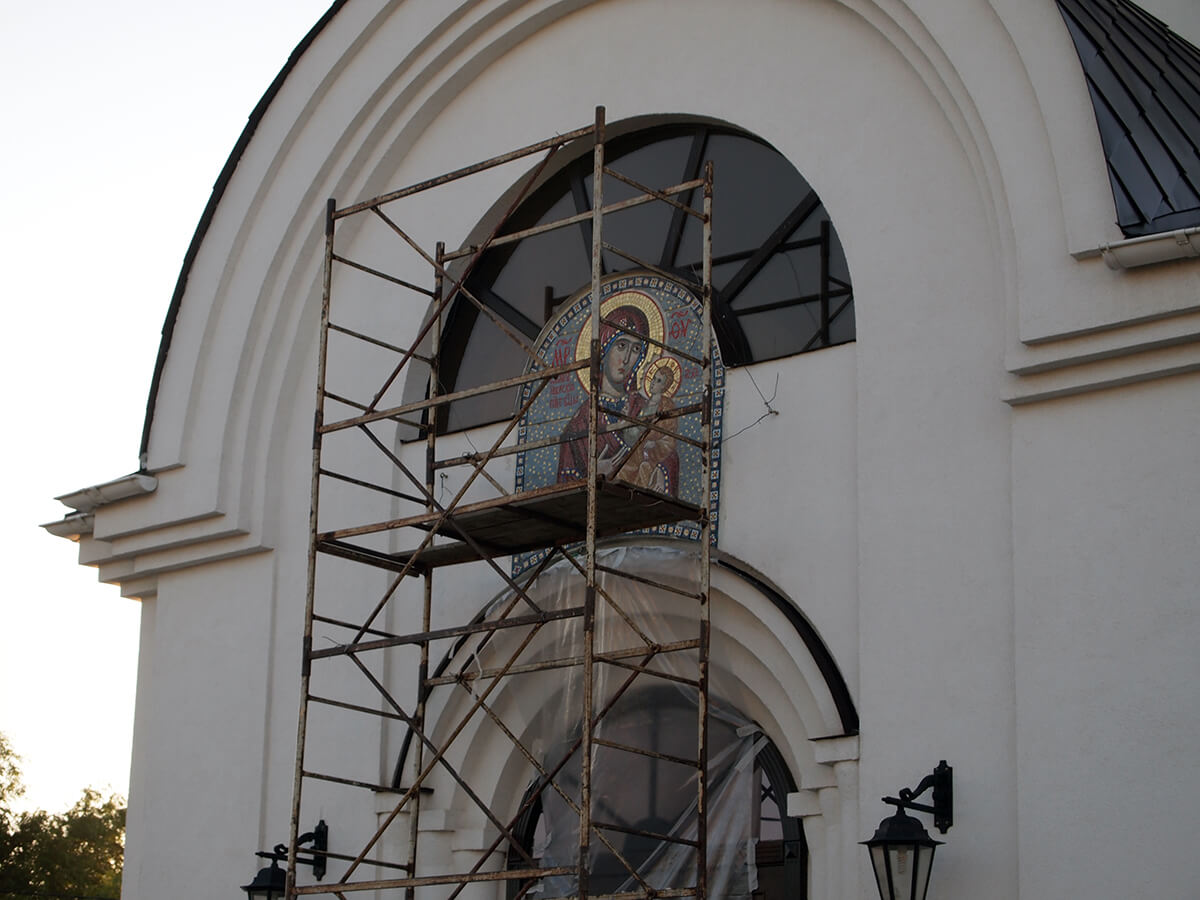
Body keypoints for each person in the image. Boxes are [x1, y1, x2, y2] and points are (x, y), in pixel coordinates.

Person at [556, 304, 679, 496]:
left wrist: (661, 471)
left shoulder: (645, 407)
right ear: (604, 349)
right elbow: (563, 487)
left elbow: (668, 453)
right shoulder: (580, 423)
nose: (627, 358)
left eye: (636, 349)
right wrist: (593, 473)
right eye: (621, 346)